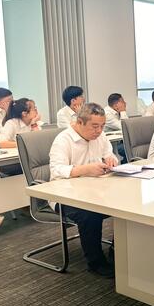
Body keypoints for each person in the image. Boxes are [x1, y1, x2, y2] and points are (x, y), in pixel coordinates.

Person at [49, 103, 118, 277]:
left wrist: (111, 160)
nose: (99, 131)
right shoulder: (63, 140)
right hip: (64, 196)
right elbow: (56, 170)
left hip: (94, 190)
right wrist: (85, 169)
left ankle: (117, 250)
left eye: (102, 126)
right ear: (80, 122)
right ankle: (95, 263)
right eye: (94, 126)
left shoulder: (100, 136)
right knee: (90, 214)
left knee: (126, 204)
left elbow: (109, 154)